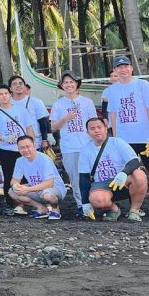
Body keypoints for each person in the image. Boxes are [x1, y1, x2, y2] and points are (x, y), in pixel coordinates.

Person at [103, 55, 149, 218]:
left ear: (131, 67)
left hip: (144, 138)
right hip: (124, 140)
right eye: (119, 67)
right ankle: (135, 207)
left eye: (126, 66)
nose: (123, 69)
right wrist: (115, 138)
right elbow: (113, 114)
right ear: (114, 70)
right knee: (129, 174)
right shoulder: (112, 90)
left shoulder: (142, 85)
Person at [79, 117, 146, 222]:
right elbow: (84, 177)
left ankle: (134, 210)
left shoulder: (117, 142)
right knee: (96, 199)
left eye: (99, 127)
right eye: (92, 128)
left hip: (122, 181)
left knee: (139, 175)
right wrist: (85, 202)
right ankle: (114, 210)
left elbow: (134, 161)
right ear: (87, 133)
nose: (96, 130)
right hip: (102, 184)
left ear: (106, 129)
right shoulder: (85, 150)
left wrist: (124, 173)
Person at [49, 73, 97, 217]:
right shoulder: (58, 104)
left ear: (77, 84)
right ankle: (81, 206)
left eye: (71, 82)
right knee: (75, 179)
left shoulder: (87, 102)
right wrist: (65, 118)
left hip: (88, 145)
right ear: (61, 85)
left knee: (93, 175)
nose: (69, 85)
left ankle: (97, 202)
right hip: (69, 147)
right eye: (65, 82)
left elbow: (94, 124)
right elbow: (53, 127)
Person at [0, 85, 36, 213]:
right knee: (9, 176)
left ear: (10, 94)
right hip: (6, 150)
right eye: (1, 94)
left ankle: (27, 203)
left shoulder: (21, 110)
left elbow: (29, 128)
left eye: (6, 93)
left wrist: (32, 144)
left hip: (23, 149)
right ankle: (11, 204)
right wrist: (4, 138)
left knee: (26, 175)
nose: (4, 96)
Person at [8, 135, 65, 220]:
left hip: (54, 188)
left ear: (34, 146)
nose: (25, 150)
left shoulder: (44, 159)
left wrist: (27, 189)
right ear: (18, 149)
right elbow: (15, 180)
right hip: (35, 188)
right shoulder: (19, 161)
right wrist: (15, 185)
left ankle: (55, 209)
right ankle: (41, 208)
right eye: (22, 148)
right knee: (12, 192)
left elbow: (49, 183)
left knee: (47, 195)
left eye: (28, 146)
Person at [9, 77, 51, 149]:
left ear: (24, 86)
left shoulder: (36, 101)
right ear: (10, 88)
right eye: (14, 84)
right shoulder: (8, 103)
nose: (18, 85)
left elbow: (42, 121)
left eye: (20, 83)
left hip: (35, 142)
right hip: (14, 144)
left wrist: (44, 139)